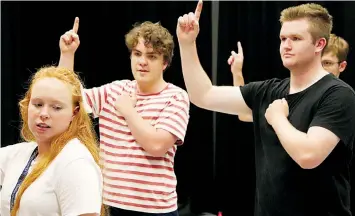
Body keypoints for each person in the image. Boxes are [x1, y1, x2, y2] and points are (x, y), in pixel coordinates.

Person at [177, 1, 355, 216]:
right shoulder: (268, 90)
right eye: (283, 38)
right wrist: (187, 44)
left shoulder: (338, 94)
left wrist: (278, 118)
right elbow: (203, 95)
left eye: (296, 39)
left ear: (319, 44)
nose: (286, 45)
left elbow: (309, 155)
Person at [58, 17, 190, 215]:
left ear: (165, 63)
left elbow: (156, 146)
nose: (142, 62)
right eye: (137, 54)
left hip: (155, 210)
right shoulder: (115, 90)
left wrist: (128, 110)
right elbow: (65, 101)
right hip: (109, 205)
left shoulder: (176, 96)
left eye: (152, 56)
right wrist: (67, 55)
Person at [0, 66, 104, 216]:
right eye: (38, 104)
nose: (43, 114)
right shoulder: (22, 154)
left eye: (56, 107)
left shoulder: (76, 163)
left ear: (74, 113)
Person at [232, 33, 350, 122]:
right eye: (316, 62)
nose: (320, 68)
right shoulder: (289, 92)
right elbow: (245, 114)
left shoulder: (343, 98)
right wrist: (237, 72)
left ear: (342, 66)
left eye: (327, 63)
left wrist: (279, 120)